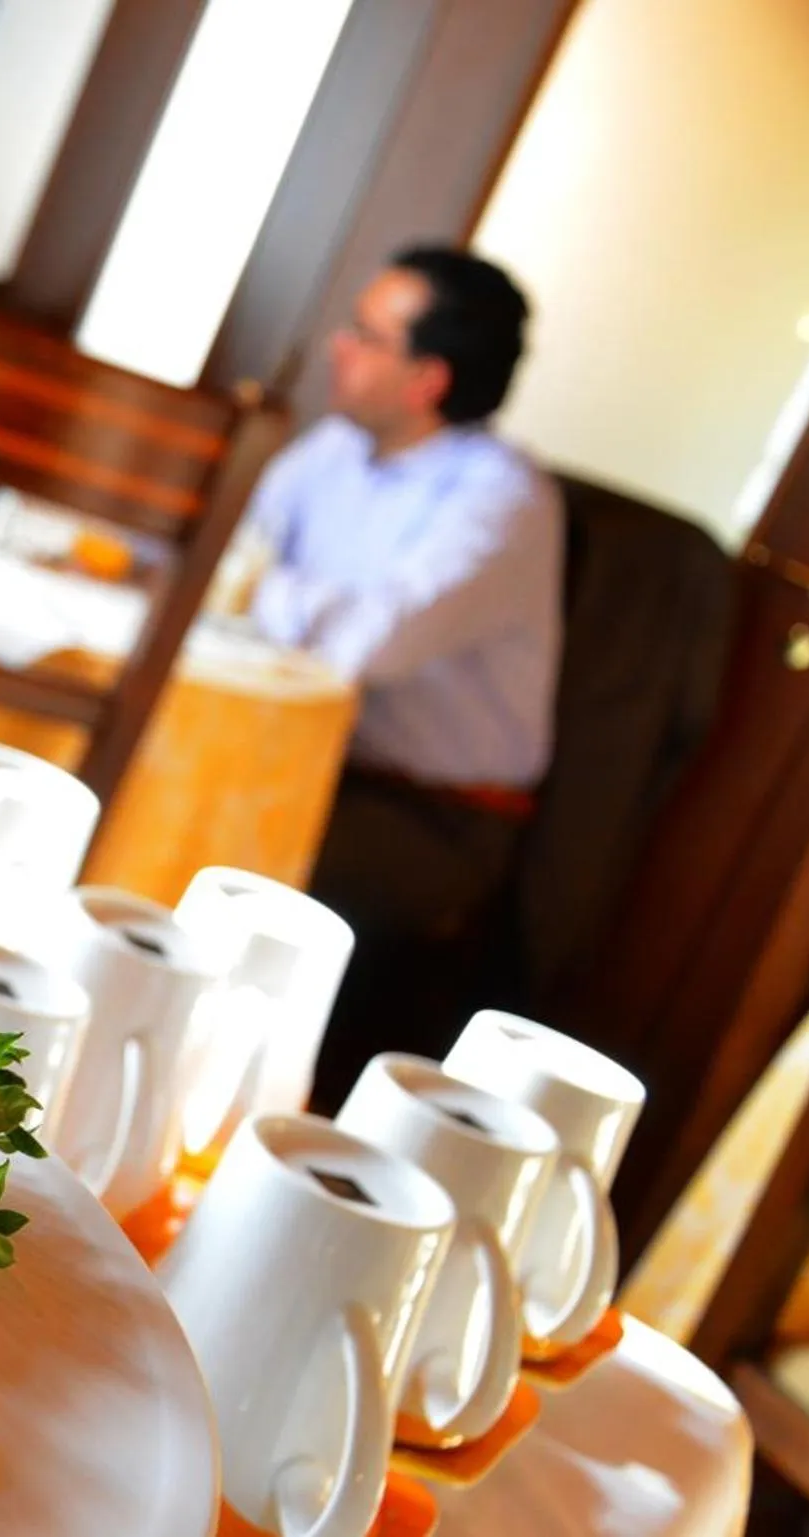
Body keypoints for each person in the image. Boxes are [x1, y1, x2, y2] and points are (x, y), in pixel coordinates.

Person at [235, 247, 564, 1108]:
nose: (337, 346)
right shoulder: (333, 450)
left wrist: (263, 590)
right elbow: (229, 560)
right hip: (307, 754)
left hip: (433, 812)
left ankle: (233, 1109)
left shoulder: (501, 498)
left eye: (365, 336)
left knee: (241, 859)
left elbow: (370, 642)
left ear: (426, 377)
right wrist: (272, 591)